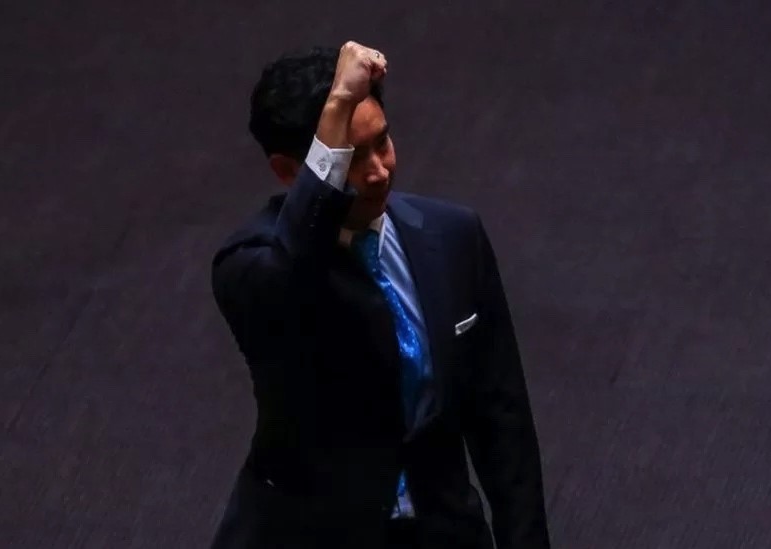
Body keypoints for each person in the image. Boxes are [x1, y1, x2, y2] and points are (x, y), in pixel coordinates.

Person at [210, 41, 550, 549]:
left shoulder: (452, 235)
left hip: (443, 529)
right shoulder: (251, 265)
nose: (379, 172)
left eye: (382, 142)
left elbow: (501, 415)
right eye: (350, 157)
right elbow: (292, 277)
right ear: (288, 171)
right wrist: (335, 117)